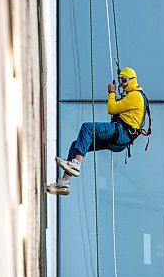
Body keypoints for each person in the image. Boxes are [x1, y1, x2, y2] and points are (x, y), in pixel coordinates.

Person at [46, 67, 150, 196]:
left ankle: (75, 164)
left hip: (121, 132)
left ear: (132, 80)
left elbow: (112, 108)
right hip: (121, 141)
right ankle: (64, 183)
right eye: (120, 81)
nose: (122, 85)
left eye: (124, 81)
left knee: (87, 128)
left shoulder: (135, 96)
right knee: (77, 144)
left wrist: (111, 92)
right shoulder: (135, 96)